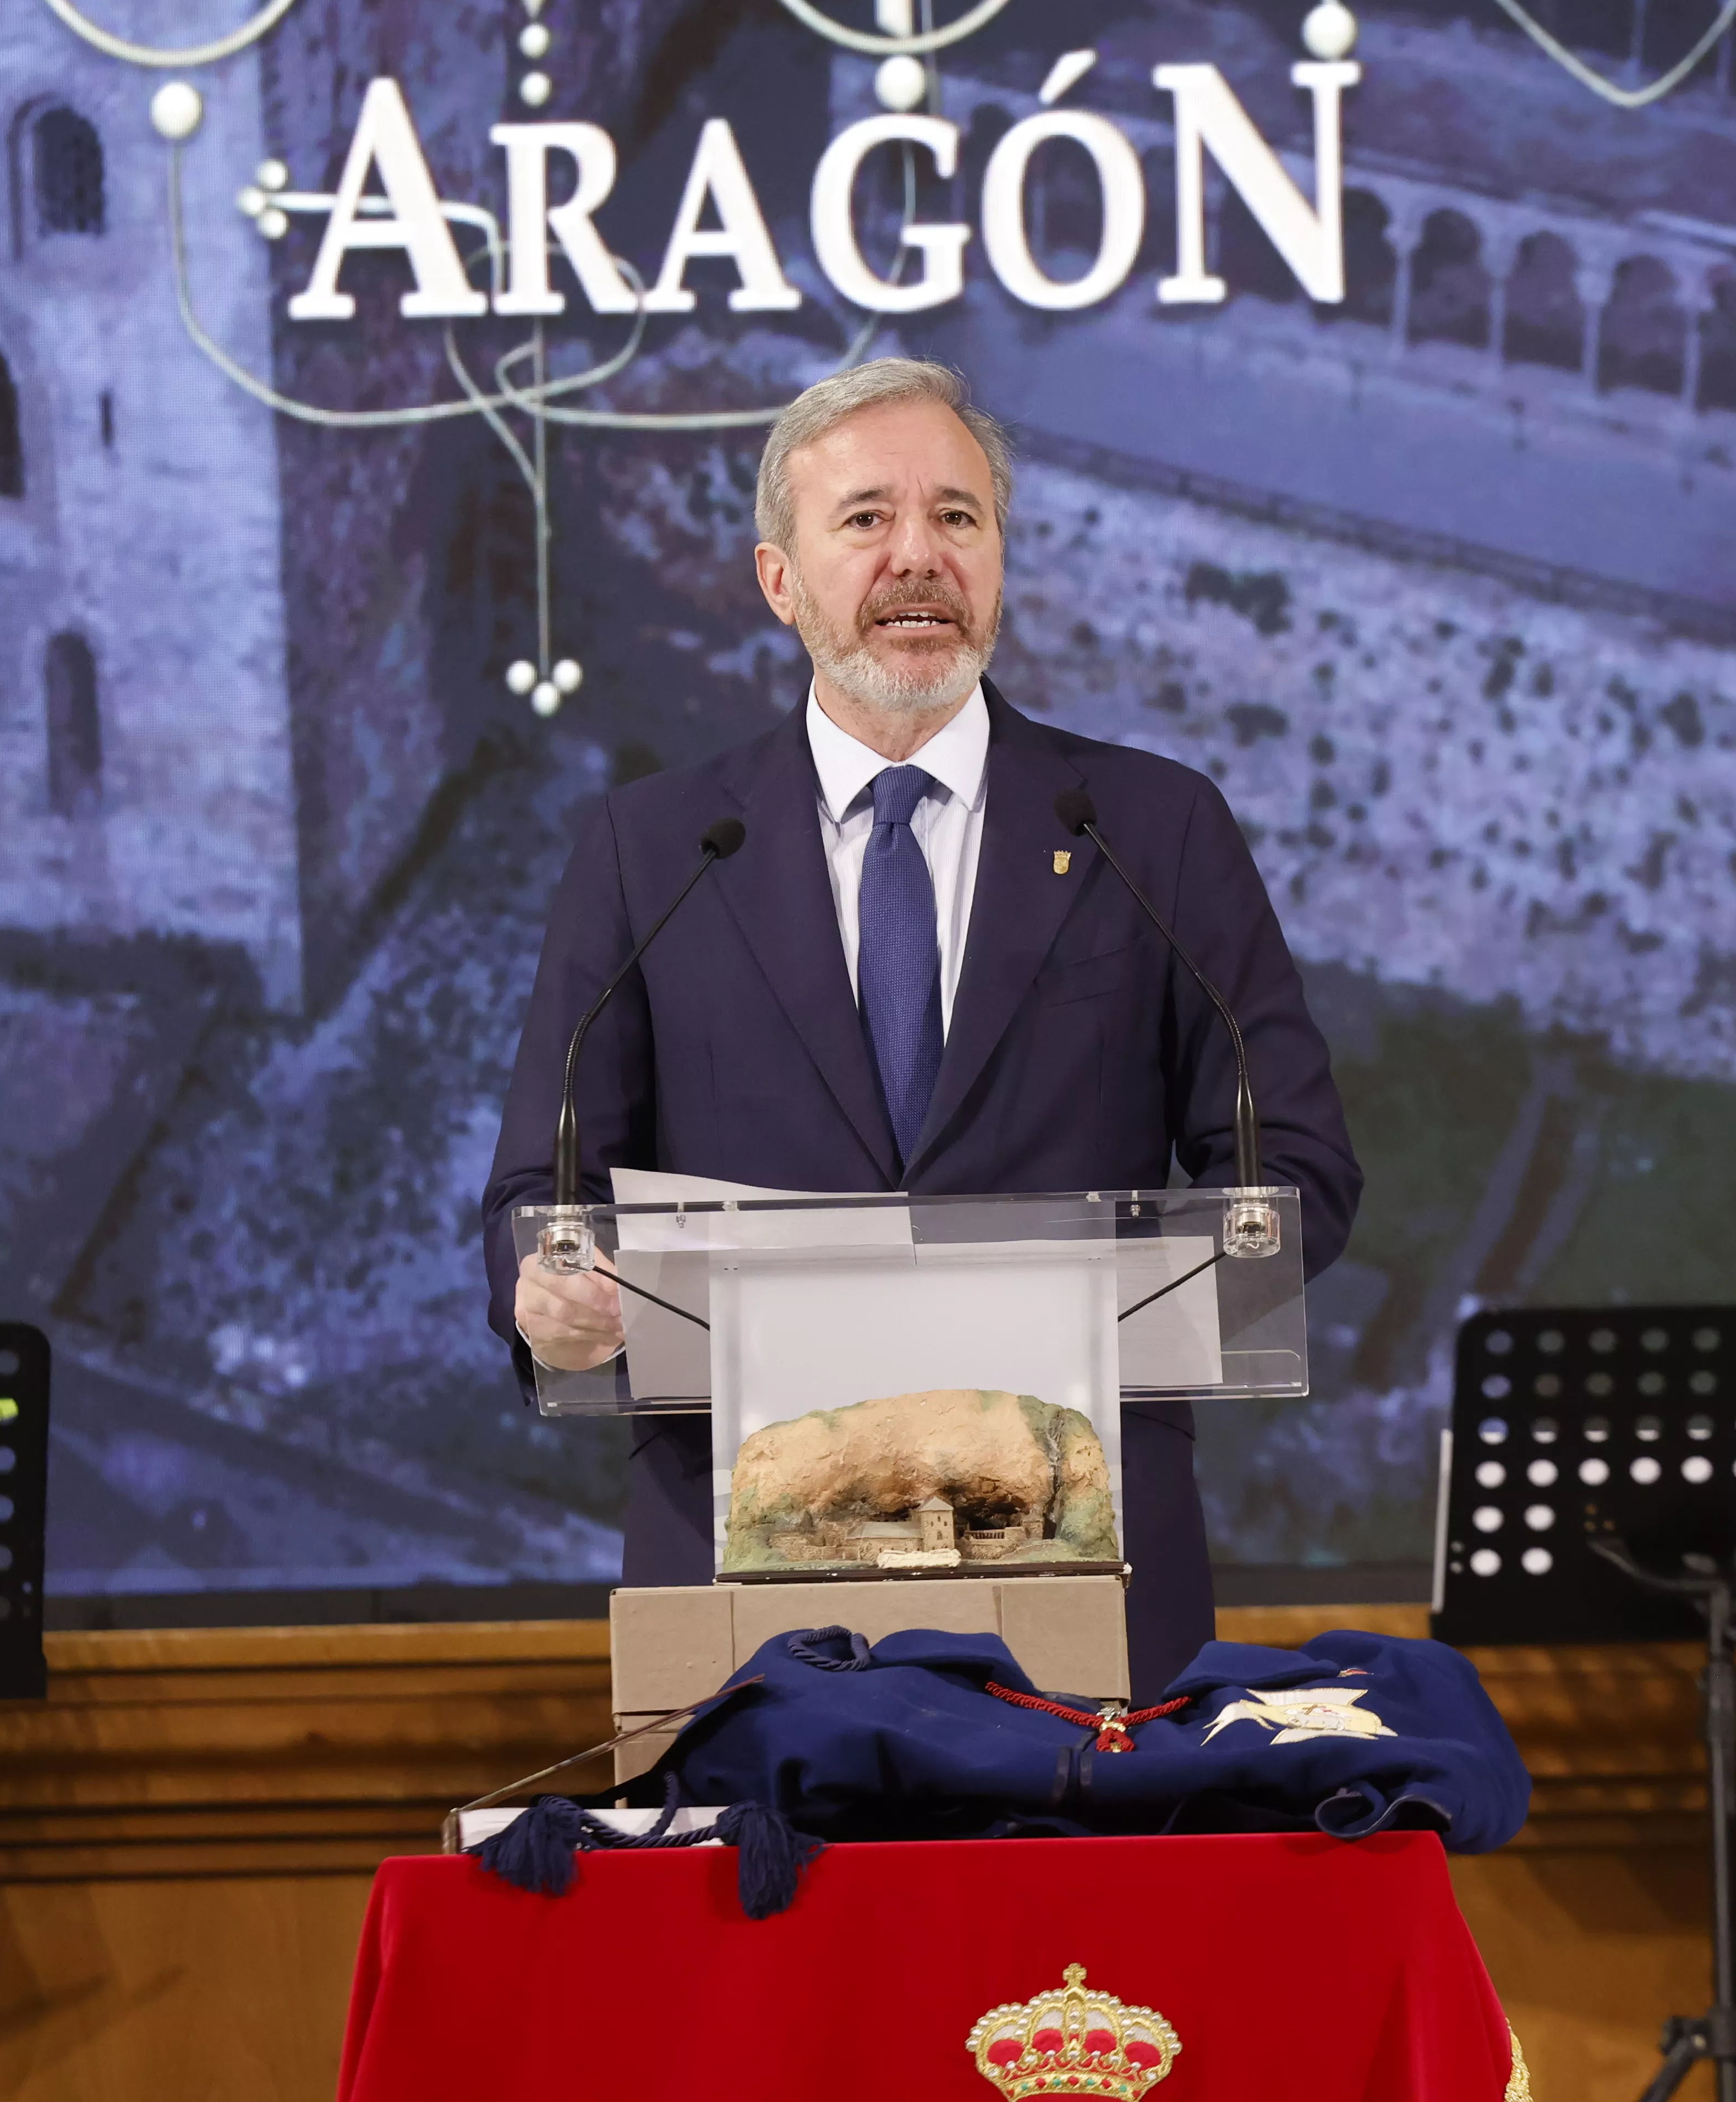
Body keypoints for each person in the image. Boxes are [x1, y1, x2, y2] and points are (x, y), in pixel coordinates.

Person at [478, 357, 1365, 1693]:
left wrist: (1201, 1265)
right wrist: (542, 1292)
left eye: (958, 517)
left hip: (1079, 1552)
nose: (918, 559)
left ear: (1000, 562)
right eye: (865, 520)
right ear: (779, 579)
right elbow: (535, 1199)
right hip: (748, 1572)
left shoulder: (1148, 831)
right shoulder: (653, 852)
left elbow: (1297, 1169)